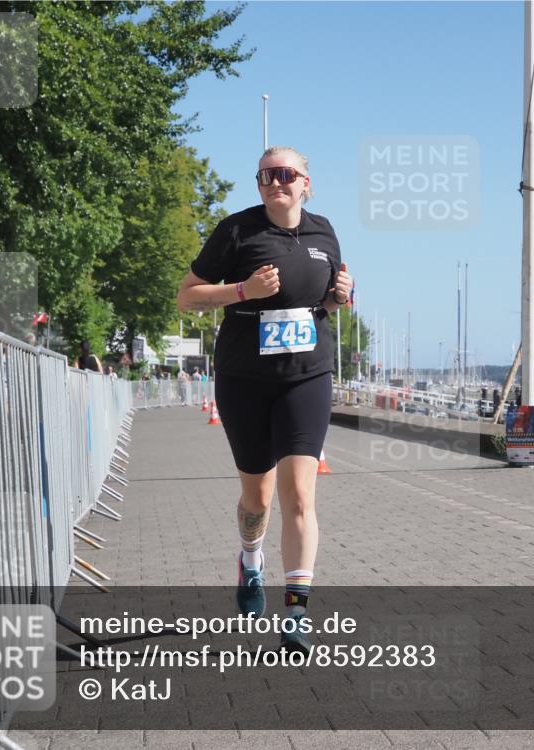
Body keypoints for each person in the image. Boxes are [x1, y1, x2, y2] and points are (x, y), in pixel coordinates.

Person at [176, 146, 352, 653]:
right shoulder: (237, 230)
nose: (275, 183)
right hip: (245, 376)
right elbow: (187, 296)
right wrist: (241, 291)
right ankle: (250, 560)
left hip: (307, 374)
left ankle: (297, 611)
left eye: (285, 174)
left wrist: (341, 295)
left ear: (306, 183)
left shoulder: (324, 233)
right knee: (258, 496)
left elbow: (326, 297)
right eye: (264, 176)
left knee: (300, 494)